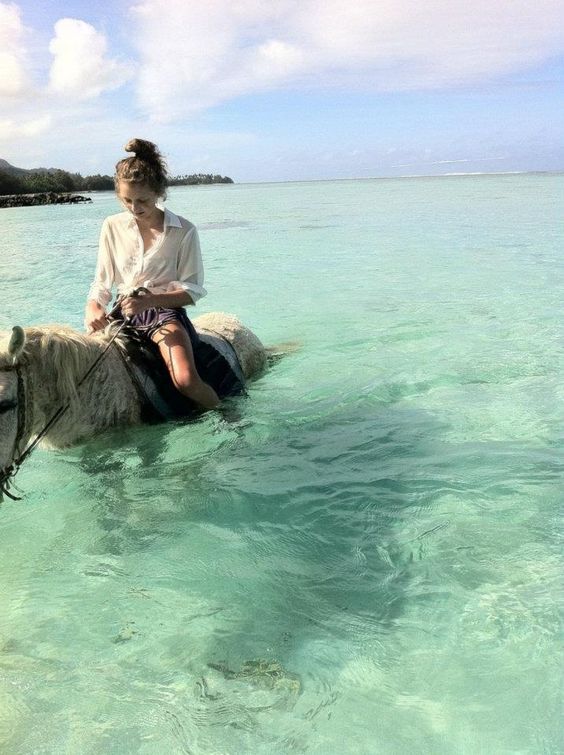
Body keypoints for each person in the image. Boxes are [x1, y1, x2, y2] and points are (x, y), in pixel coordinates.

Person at [84, 138, 220, 410]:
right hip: (120, 311)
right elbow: (101, 281)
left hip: (164, 313)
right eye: (127, 200)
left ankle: (229, 417)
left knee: (185, 379)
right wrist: (93, 308)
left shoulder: (184, 230)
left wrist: (149, 302)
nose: (135, 208)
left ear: (158, 192)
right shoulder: (111, 225)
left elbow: (192, 290)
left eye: (142, 200)